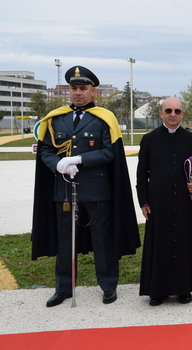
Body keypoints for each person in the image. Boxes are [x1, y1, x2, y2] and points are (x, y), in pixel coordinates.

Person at [32, 65, 140, 307]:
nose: (78, 92)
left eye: (83, 88)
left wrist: (79, 159)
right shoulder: (56, 119)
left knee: (102, 238)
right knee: (64, 240)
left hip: (96, 189)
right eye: (74, 88)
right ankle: (64, 287)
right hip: (64, 189)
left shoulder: (104, 118)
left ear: (94, 92)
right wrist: (58, 164)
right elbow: (46, 150)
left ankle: (108, 285)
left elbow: (109, 153)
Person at [137, 97, 192, 306]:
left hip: (184, 201)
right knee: (159, 244)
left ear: (182, 114)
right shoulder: (149, 139)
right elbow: (141, 174)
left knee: (184, 242)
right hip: (158, 202)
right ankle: (157, 291)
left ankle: (184, 289)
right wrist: (144, 201)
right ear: (160, 113)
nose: (173, 115)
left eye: (177, 111)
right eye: (168, 110)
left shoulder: (190, 139)